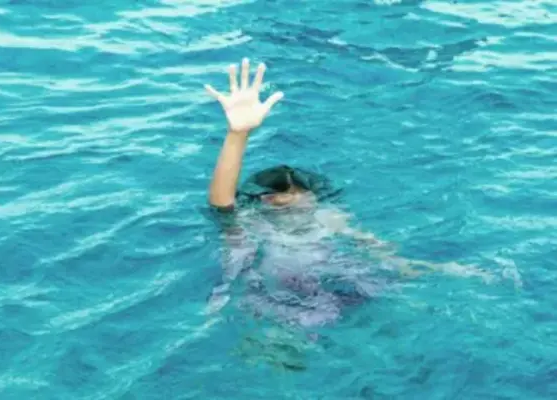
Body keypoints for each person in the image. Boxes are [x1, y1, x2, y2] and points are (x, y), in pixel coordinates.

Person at [203, 58, 492, 323]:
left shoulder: (328, 217)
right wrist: (237, 135)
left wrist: (441, 269)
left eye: (298, 193)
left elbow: (384, 256)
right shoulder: (251, 223)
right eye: (279, 196)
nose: (290, 200)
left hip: (335, 285)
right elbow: (221, 204)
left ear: (312, 197)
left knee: (393, 299)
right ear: (264, 200)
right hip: (274, 297)